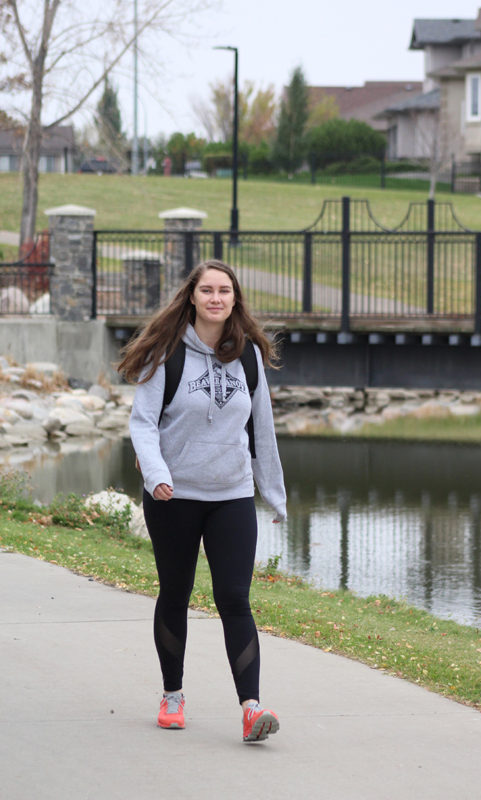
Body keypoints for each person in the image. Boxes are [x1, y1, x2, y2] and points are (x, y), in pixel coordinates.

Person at [118, 259, 286, 743]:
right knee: (175, 593)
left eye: (225, 291)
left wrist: (273, 494)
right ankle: (173, 696)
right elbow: (144, 423)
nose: (216, 298)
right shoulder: (167, 352)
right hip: (174, 495)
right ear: (192, 296)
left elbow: (263, 432)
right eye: (207, 290)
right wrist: (156, 475)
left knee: (234, 598)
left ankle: (252, 710)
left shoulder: (249, 356)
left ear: (235, 299)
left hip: (231, 493)